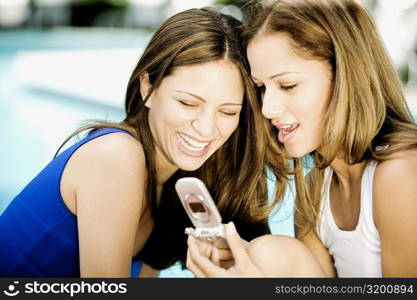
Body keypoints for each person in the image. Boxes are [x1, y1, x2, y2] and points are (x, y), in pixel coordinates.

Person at [0, 8, 291, 277]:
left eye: (227, 111)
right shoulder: (115, 156)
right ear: (147, 87)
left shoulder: (177, 187)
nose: (205, 128)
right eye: (188, 103)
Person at [186, 0, 417, 277]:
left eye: (287, 85)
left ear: (345, 75)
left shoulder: (401, 171)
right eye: (261, 88)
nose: (267, 108)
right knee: (267, 255)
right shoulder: (315, 190)